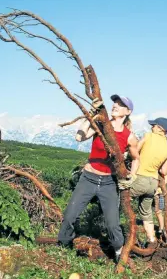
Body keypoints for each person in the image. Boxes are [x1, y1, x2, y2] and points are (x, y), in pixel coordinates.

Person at [58, 95, 139, 262]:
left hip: (109, 182)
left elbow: (136, 158)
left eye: (120, 104)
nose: (115, 106)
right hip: (88, 178)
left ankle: (118, 251)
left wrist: (133, 175)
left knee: (112, 224)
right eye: (115, 103)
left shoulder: (129, 136)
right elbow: (79, 137)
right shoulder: (101, 125)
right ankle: (64, 247)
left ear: (128, 111)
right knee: (69, 216)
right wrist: (91, 115)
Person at [119, 117, 167, 248]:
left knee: (119, 196)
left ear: (160, 129)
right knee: (146, 214)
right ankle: (151, 241)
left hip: (139, 178)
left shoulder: (148, 136)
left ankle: (119, 234)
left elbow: (134, 151)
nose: (152, 127)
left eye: (154, 125)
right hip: (152, 184)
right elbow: (164, 170)